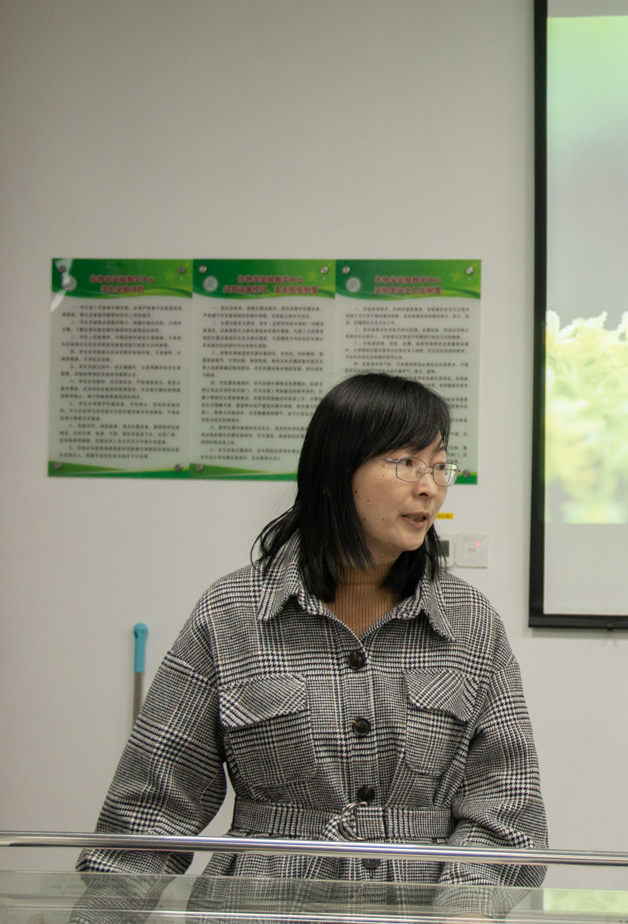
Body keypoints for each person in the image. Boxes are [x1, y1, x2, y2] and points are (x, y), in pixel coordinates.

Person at [78, 373, 547, 895]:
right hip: (261, 904)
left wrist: (465, 908)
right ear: (334, 471)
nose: (429, 486)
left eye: (438, 465)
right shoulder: (234, 612)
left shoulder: (469, 620)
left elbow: (507, 811)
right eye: (406, 462)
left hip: (420, 906)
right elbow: (149, 814)